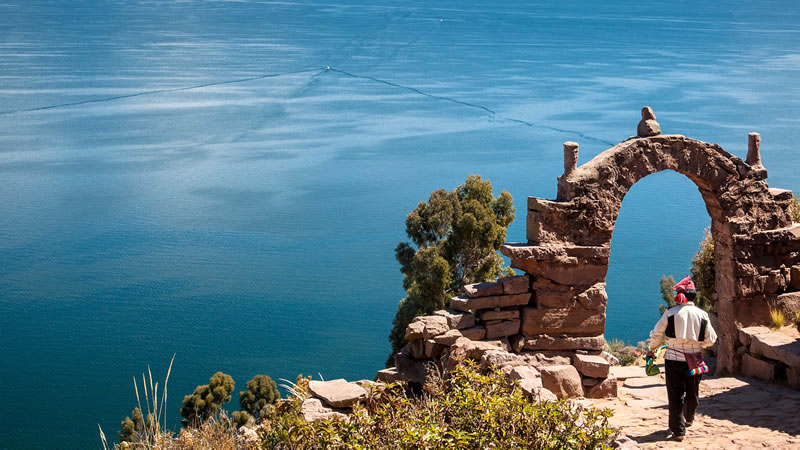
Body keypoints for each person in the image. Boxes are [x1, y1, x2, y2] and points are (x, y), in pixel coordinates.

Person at [647, 276, 717, 442]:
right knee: (693, 392)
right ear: (694, 296)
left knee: (675, 395)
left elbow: (657, 333)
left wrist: (652, 349)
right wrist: (698, 345)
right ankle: (689, 418)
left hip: (673, 359)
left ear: (680, 296)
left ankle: (679, 431)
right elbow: (710, 340)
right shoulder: (702, 315)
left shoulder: (670, 313)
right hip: (695, 360)